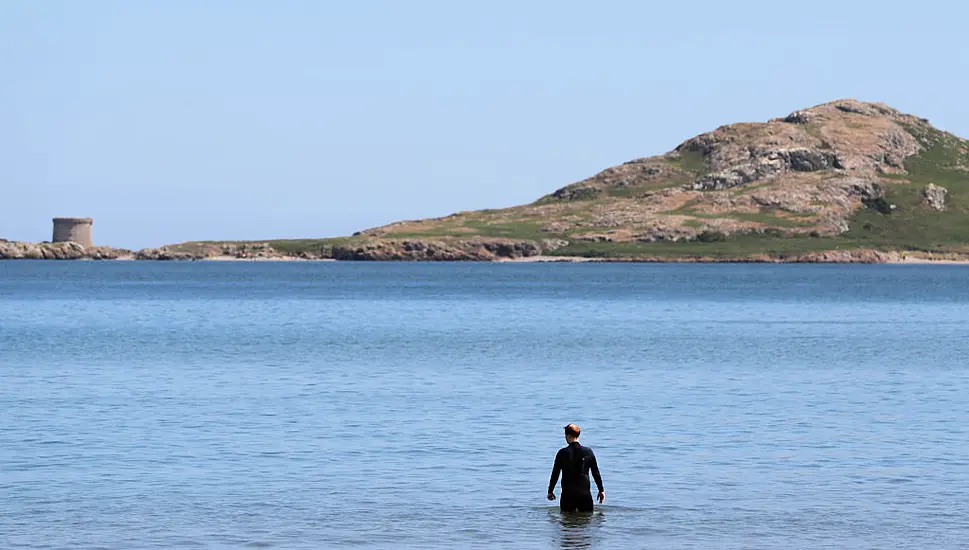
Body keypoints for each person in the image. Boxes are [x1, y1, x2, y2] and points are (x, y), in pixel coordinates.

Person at [547, 423, 604, 513]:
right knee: (585, 521)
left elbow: (555, 474)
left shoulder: (562, 453)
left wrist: (550, 491)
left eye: (565, 435)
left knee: (567, 522)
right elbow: (595, 473)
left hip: (567, 494)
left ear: (568, 436)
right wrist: (601, 490)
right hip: (584, 494)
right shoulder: (588, 452)